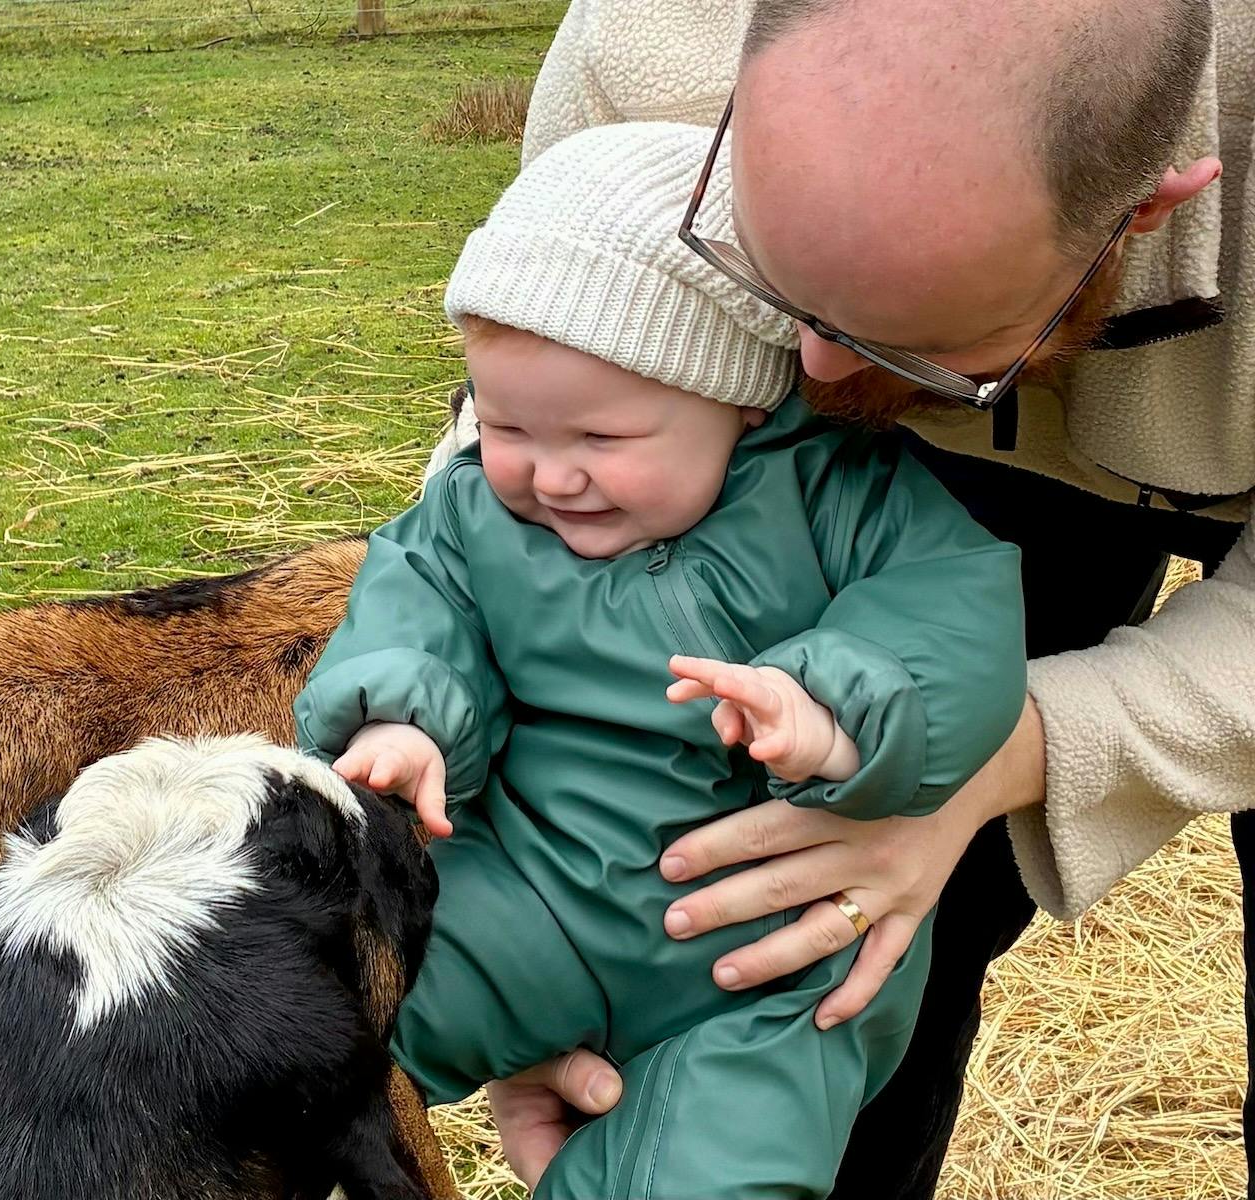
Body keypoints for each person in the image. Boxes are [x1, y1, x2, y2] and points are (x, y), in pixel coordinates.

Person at [442, 1, 1255, 1196]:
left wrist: (1008, 753)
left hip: (1206, 402)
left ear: (1150, 203)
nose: (816, 367)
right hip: (890, 479)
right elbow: (540, 423)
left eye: (900, 331)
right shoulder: (644, 46)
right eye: (780, 284)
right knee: (825, 908)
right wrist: (566, 915)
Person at [294, 119, 1027, 1198]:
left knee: (722, 1169)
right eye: (505, 428)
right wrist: (400, 719)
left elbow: (952, 614)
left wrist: (834, 714)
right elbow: (417, 600)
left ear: (736, 397)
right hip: (525, 890)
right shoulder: (471, 516)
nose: (549, 477)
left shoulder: (842, 496)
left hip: (771, 965)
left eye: (599, 441)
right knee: (312, 1017)